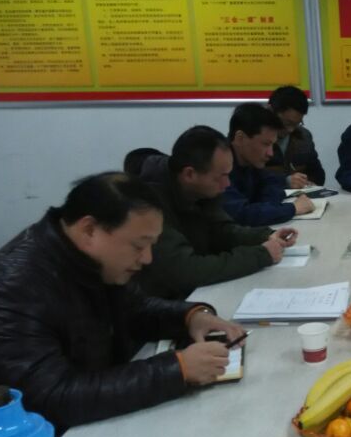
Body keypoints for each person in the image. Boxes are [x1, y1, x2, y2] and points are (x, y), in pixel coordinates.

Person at [0, 173, 246, 433]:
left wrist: (191, 317)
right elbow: (52, 397)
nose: (147, 258)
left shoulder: (87, 259)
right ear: (89, 230)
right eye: (139, 246)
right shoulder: (13, 287)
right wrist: (178, 369)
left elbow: (136, 309)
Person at [135, 126, 297, 299]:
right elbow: (185, 270)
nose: (227, 184)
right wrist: (261, 255)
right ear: (189, 174)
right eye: (221, 176)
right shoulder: (148, 205)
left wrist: (266, 236)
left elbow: (222, 230)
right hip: (164, 302)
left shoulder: (201, 190)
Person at [222, 102, 314, 226]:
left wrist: (264, 209)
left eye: (272, 145)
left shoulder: (251, 163)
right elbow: (241, 214)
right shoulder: (217, 168)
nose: (271, 153)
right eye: (265, 144)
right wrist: (293, 208)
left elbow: (271, 185)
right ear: (240, 138)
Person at [267, 85, 326, 188]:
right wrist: (285, 182)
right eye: (287, 123)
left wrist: (308, 181)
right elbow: (250, 180)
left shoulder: (304, 137)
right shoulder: (255, 138)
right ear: (270, 111)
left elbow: (318, 175)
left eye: (297, 123)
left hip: (301, 195)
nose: (291, 130)